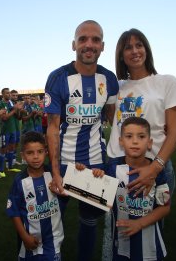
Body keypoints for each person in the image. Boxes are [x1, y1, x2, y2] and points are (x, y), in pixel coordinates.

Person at [45, 20, 119, 261]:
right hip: (64, 165)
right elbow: (53, 129)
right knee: (52, 221)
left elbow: (110, 117)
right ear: (73, 44)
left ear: (103, 46)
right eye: (83, 39)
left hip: (95, 165)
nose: (89, 44)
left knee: (89, 223)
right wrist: (55, 172)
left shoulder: (109, 79)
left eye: (95, 39)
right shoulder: (57, 77)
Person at [107, 28, 176, 197]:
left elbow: (175, 131)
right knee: (116, 221)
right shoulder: (116, 86)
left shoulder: (167, 82)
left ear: (147, 50)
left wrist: (155, 168)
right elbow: (113, 120)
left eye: (139, 45)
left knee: (153, 221)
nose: (135, 51)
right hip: (118, 164)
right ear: (121, 55)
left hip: (154, 164)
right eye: (128, 48)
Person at [106, 117, 170, 261]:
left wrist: (139, 223)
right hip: (121, 243)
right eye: (129, 136)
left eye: (141, 136)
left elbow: (165, 208)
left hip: (151, 246)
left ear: (149, 143)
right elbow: (99, 193)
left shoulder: (157, 171)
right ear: (121, 141)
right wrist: (92, 173)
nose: (135, 141)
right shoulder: (112, 167)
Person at [6, 131, 64, 261]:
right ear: (23, 156)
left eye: (40, 151)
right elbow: (13, 212)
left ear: (46, 152)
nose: (36, 157)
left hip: (53, 242)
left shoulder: (54, 176)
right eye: (30, 153)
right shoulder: (19, 181)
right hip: (30, 243)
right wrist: (24, 237)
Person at [0, 88, 24, 177]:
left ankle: (10, 167)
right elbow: (4, 118)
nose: (9, 94)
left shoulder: (11, 103)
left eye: (9, 93)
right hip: (4, 131)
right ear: (3, 94)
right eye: (7, 93)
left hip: (13, 130)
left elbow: (18, 117)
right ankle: (1, 170)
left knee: (12, 148)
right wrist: (15, 110)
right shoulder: (0, 104)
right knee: (3, 149)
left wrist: (19, 110)